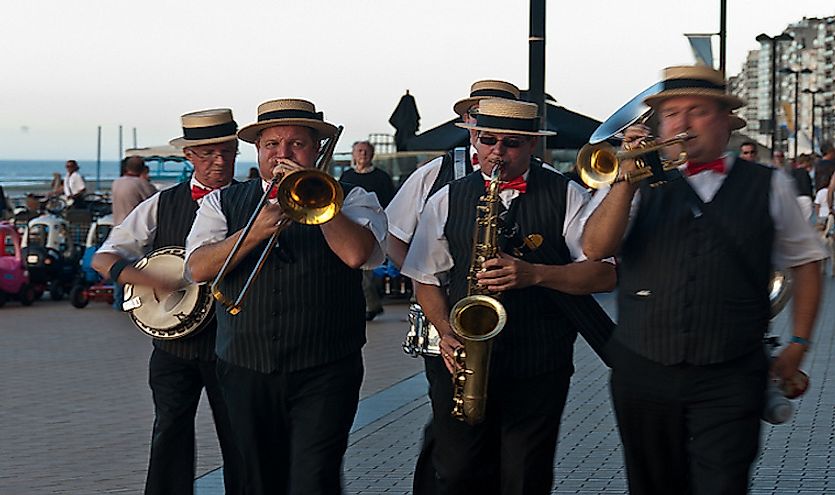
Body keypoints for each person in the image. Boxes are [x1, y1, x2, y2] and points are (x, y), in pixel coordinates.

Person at [582, 65, 827, 495]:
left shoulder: (769, 185)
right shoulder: (636, 183)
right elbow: (595, 248)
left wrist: (801, 342)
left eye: (697, 110)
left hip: (731, 370)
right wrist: (625, 181)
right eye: (672, 113)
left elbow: (807, 262)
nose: (682, 123)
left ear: (725, 121)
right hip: (643, 368)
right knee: (653, 485)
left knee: (723, 483)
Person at [401, 98, 616, 495]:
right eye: (488, 140)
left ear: (533, 146)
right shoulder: (446, 197)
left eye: (512, 143)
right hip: (463, 357)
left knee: (524, 476)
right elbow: (425, 277)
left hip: (539, 360)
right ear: (474, 140)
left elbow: (603, 275)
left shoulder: (567, 193)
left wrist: (536, 274)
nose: (497, 152)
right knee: (457, 471)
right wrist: (446, 332)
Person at [184, 98, 387, 495]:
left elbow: (357, 255)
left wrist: (323, 207)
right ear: (258, 152)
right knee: (254, 479)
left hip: (326, 364)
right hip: (244, 363)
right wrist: (255, 231)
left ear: (317, 150)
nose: (282, 154)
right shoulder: (221, 201)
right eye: (271, 145)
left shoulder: (354, 197)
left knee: (314, 478)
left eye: (296, 145)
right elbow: (197, 268)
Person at [92, 108, 244, 495]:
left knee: (240, 440)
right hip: (174, 346)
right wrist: (148, 279)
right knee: (170, 433)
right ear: (189, 156)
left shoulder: (255, 202)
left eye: (227, 151)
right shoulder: (162, 204)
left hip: (237, 345)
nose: (220, 161)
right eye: (208, 153)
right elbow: (104, 256)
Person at [385, 79, 521, 494]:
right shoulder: (436, 173)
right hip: (448, 316)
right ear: (468, 123)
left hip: (515, 330)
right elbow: (393, 236)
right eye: (483, 121)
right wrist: (431, 283)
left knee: (502, 433)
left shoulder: (542, 177)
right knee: (449, 426)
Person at [387, 79, 521, 269]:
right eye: (478, 113)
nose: (486, 122)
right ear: (466, 119)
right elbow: (393, 235)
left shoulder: (553, 182)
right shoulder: (433, 173)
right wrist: (424, 284)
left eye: (497, 114)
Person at [340, 140, 395, 320]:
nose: (363, 154)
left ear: (372, 154)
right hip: (349, 231)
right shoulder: (347, 176)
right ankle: (370, 305)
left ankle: (371, 305)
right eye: (359, 151)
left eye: (366, 151)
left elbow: (390, 203)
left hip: (373, 231)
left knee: (367, 273)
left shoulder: (382, 178)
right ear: (354, 154)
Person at [110, 156, 157, 225]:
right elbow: (156, 202)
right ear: (143, 169)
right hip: (135, 228)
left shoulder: (116, 182)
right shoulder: (141, 184)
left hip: (119, 225)